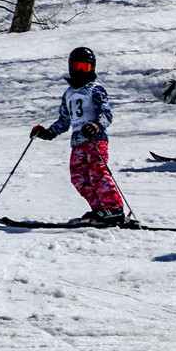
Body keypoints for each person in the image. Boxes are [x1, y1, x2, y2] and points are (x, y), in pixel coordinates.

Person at [30, 46, 125, 226]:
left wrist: (96, 125)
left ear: (93, 68)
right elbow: (65, 120)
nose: (82, 71)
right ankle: (100, 210)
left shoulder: (95, 89)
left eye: (86, 68)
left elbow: (107, 115)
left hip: (95, 140)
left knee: (98, 173)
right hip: (78, 142)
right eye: (78, 67)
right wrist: (48, 132)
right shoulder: (69, 93)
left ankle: (114, 209)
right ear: (71, 67)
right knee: (79, 177)